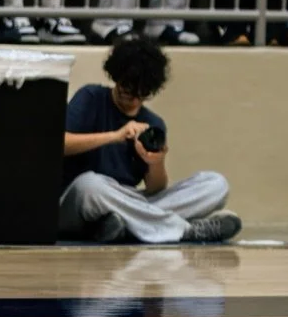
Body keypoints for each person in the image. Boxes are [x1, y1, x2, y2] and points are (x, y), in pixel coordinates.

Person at [60, 37, 240, 244]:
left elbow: (155, 189)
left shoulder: (152, 123)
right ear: (116, 78)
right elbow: (60, 144)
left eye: (142, 94)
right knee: (90, 185)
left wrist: (156, 163)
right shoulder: (91, 97)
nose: (134, 100)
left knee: (216, 184)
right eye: (128, 91)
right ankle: (184, 230)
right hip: (81, 201)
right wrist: (116, 135)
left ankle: (124, 226)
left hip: (127, 200)